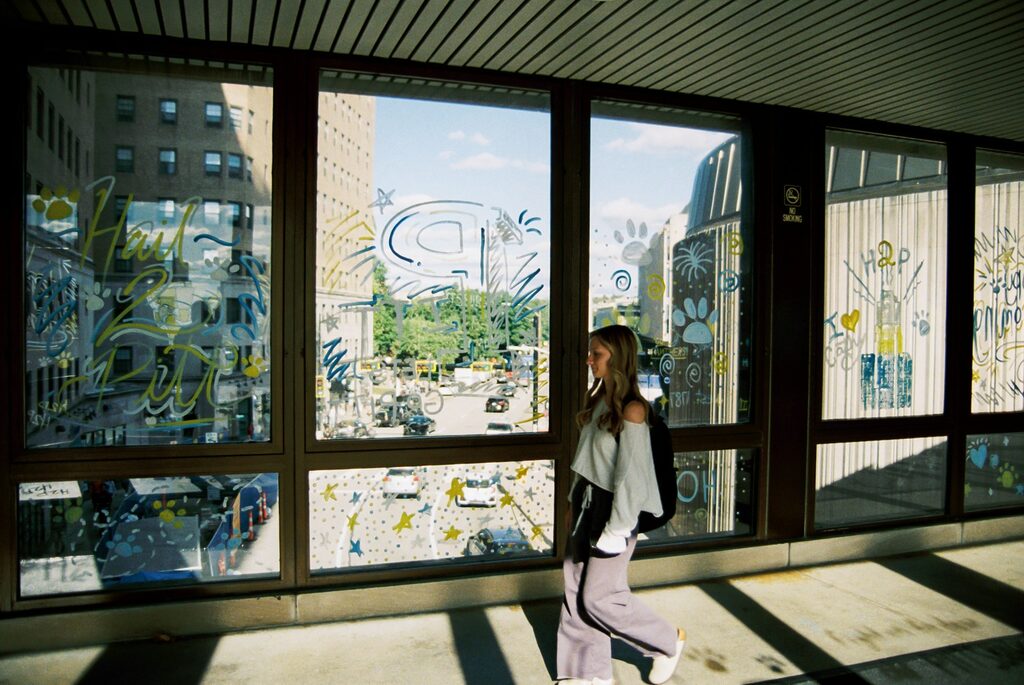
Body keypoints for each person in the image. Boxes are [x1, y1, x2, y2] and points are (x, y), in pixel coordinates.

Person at [556, 325, 685, 685]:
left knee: (601, 597)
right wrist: (571, 500)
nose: (589, 360)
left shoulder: (633, 411)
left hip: (614, 512)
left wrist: (617, 529)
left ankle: (667, 641)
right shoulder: (599, 402)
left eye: (596, 353)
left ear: (618, 357)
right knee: (575, 588)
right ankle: (586, 673)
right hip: (587, 503)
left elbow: (632, 479)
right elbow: (586, 459)